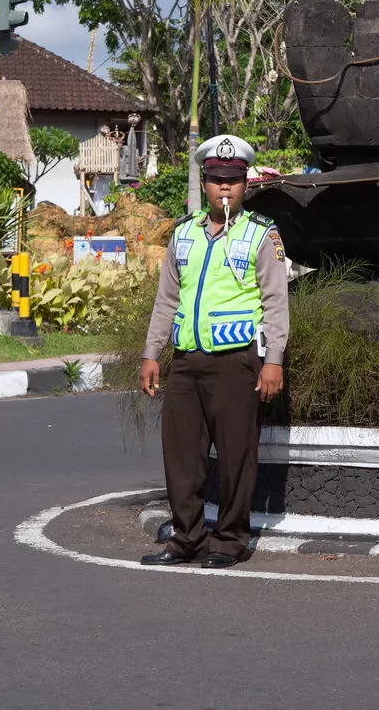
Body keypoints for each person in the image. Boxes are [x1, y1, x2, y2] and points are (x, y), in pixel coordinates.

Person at [138, 134, 290, 570]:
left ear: (246, 184)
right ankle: (187, 538)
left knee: (235, 455)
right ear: (204, 182)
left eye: (234, 180)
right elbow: (167, 299)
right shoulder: (184, 235)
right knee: (182, 456)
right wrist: (152, 353)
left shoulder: (262, 235)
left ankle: (230, 539)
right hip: (186, 363)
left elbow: (276, 300)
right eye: (216, 179)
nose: (225, 188)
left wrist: (273, 360)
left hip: (236, 362)